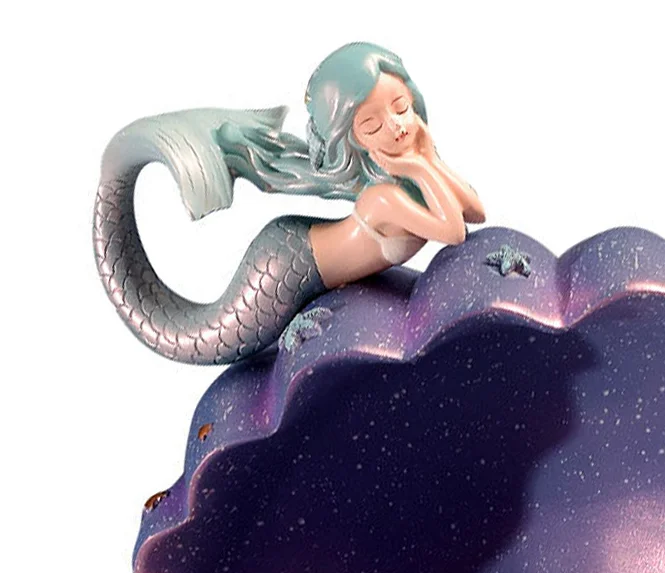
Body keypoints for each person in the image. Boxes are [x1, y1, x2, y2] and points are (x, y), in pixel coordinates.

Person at [93, 42, 484, 365]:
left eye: (401, 107)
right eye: (372, 125)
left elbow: (473, 212)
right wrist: (419, 165)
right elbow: (452, 231)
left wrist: (427, 158)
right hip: (285, 267)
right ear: (351, 140)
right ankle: (119, 170)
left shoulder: (407, 175)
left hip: (296, 244)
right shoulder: (382, 198)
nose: (396, 126)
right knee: (203, 338)